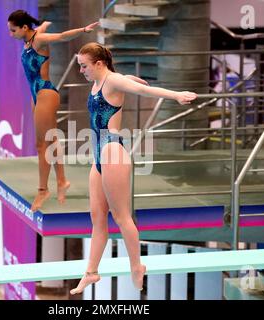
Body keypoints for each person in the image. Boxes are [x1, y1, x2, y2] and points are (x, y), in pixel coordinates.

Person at [69, 42, 197, 294]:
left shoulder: (112, 80)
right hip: (98, 153)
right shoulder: (102, 81)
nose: (81, 71)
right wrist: (125, 77)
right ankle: (91, 272)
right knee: (97, 218)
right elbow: (123, 81)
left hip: (112, 149)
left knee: (121, 216)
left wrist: (176, 95)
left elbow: (143, 91)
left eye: (84, 66)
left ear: (98, 64)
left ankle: (137, 266)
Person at [7, 10, 99, 211]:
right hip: (36, 95)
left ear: (24, 28)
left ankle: (43, 190)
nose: (10, 34)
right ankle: (62, 181)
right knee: (51, 140)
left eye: (13, 30)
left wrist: (83, 29)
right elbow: (38, 29)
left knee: (42, 145)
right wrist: (44, 24)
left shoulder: (39, 40)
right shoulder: (31, 38)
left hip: (46, 93)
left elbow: (62, 36)